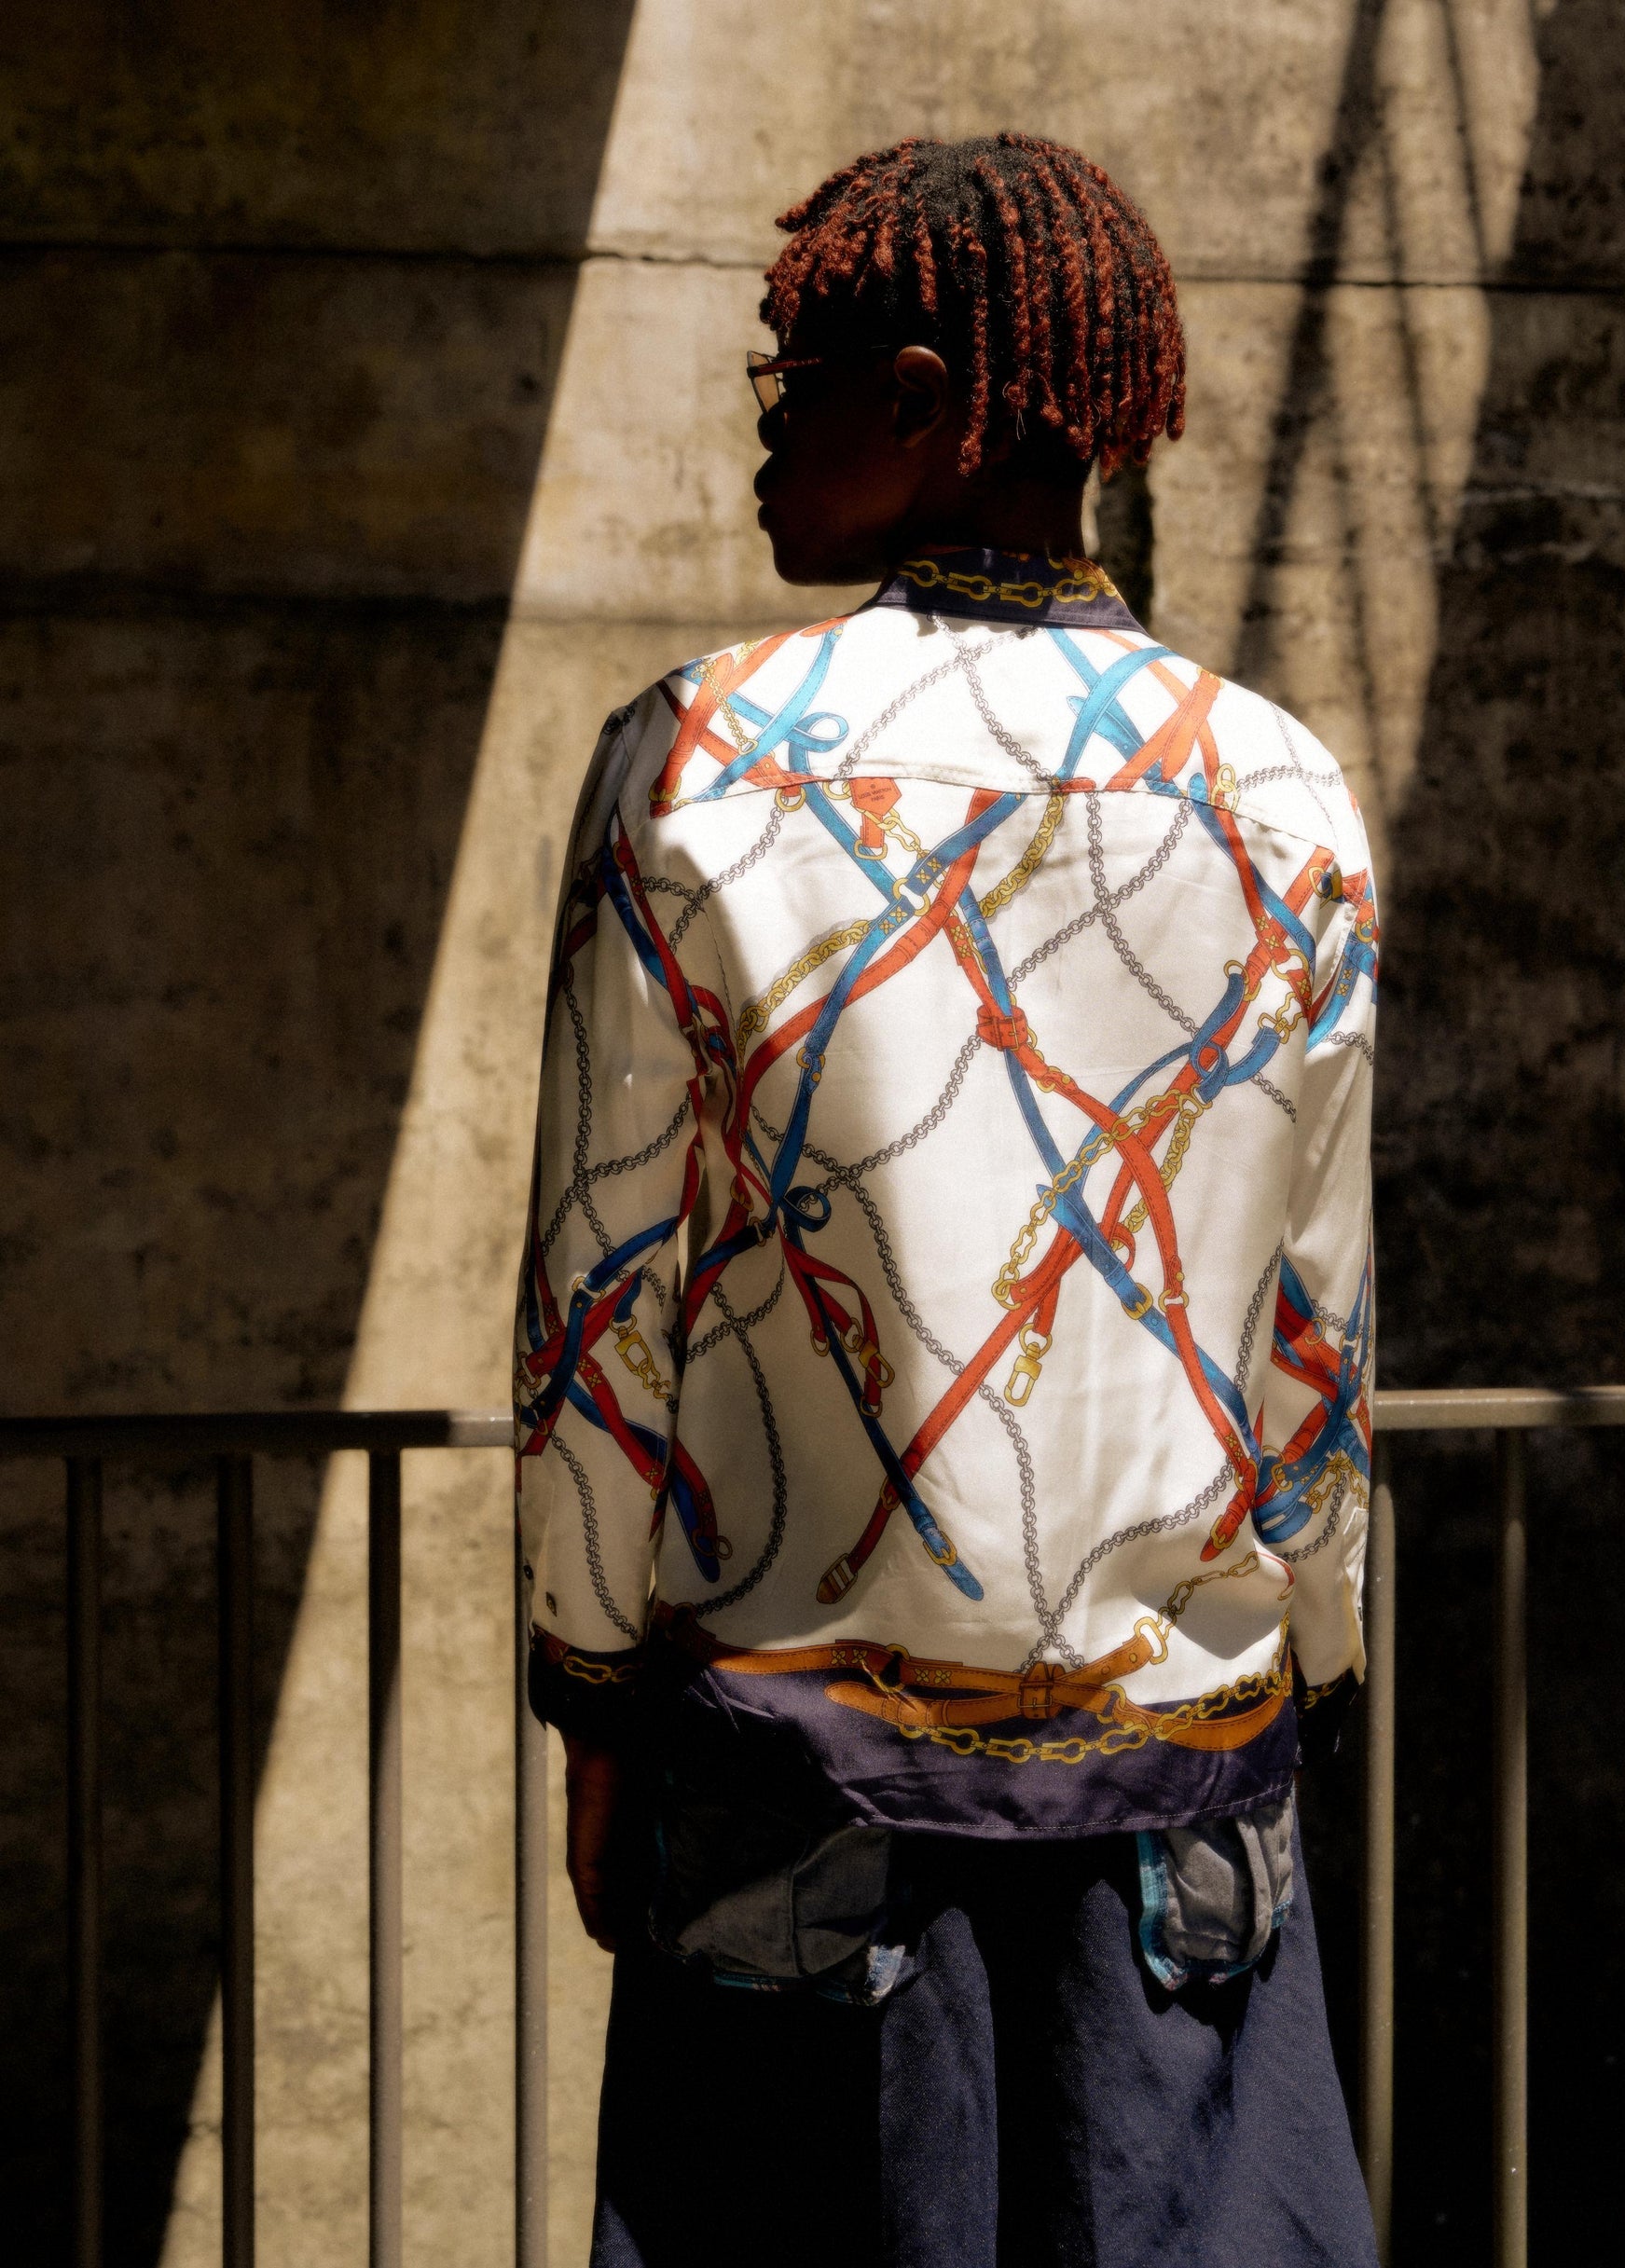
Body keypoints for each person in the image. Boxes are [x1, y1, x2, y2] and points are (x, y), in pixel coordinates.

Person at [515, 132, 1380, 2268]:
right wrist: (1319, 1669)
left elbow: (605, 1304)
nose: (759, 428)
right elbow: (1314, 1331)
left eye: (790, 373)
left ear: (925, 398)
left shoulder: (695, 759)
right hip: (1172, 1804)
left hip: (797, 1800)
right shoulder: (1278, 788)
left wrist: (589, 1695)